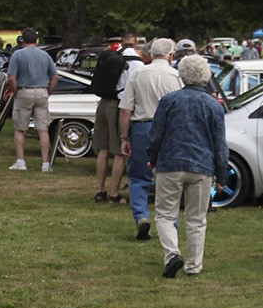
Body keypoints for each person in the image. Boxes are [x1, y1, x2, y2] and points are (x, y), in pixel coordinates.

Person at [147, 54, 228, 279]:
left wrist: (152, 157)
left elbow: (156, 135)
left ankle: (172, 254)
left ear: (182, 74)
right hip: (201, 167)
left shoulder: (169, 101)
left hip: (170, 163)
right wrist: (222, 176)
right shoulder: (214, 106)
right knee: (196, 219)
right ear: (206, 75)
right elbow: (220, 145)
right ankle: (194, 265)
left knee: (164, 214)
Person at [118, 38, 182, 240]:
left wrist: (124, 137)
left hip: (142, 126)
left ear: (151, 54)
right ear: (170, 55)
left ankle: (141, 216)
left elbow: (125, 110)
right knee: (170, 177)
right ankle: (171, 221)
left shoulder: (138, 73)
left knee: (138, 176)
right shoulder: (177, 76)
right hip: (169, 129)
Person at [90, 30, 144, 203]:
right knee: (119, 151)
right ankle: (114, 193)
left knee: (103, 150)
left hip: (103, 103)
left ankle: (100, 191)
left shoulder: (112, 56)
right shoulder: (136, 61)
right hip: (117, 104)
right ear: (135, 44)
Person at [7, 27, 59, 171]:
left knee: (20, 128)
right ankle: (45, 163)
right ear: (36, 40)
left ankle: (21, 161)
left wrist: (15, 91)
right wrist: (48, 91)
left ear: (22, 40)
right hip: (42, 91)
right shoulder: (45, 55)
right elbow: (55, 76)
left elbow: (11, 77)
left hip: (24, 90)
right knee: (43, 129)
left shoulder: (18, 55)